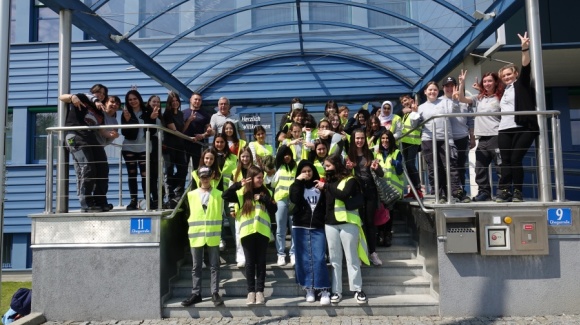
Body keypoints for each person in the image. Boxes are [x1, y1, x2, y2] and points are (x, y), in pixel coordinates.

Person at [315, 154, 369, 304]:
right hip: (330, 224)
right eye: (325, 166)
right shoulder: (327, 182)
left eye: (328, 166)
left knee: (352, 258)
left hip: (348, 222)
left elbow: (343, 194)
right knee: (334, 260)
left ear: (337, 165)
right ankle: (336, 291)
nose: (326, 169)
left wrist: (325, 187)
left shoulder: (350, 180)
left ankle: (357, 290)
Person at [222, 165, 277, 306]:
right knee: (250, 263)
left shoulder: (267, 192)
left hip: (262, 232)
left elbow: (274, 208)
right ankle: (250, 292)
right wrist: (238, 185)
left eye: (262, 177)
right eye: (258, 177)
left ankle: (260, 292)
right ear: (251, 178)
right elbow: (225, 195)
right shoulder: (242, 193)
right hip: (247, 233)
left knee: (261, 263)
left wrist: (263, 198)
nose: (261, 180)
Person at [495, 32, 539, 203]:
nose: (507, 77)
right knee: (505, 161)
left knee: (515, 159)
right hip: (504, 128)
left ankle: (518, 192)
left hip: (523, 127)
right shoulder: (504, 91)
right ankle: (505, 191)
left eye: (509, 74)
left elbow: (526, 66)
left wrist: (524, 48)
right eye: (504, 76)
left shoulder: (521, 84)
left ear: (515, 74)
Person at [418, 82, 470, 203]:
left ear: (438, 91)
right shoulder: (421, 107)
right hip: (428, 139)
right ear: (425, 92)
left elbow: (453, 111)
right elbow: (416, 125)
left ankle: (457, 192)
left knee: (451, 165)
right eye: (430, 90)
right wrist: (414, 113)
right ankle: (439, 193)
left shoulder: (445, 102)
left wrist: (456, 99)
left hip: (446, 138)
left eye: (435, 90)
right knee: (433, 168)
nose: (432, 92)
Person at [181, 166, 224, 307]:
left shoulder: (218, 194)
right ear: (199, 177)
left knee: (214, 265)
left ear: (212, 176)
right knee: (196, 266)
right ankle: (196, 293)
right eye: (202, 177)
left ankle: (215, 293)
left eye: (207, 176)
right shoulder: (191, 194)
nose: (205, 179)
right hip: (196, 234)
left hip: (212, 234)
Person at [289, 160, 331, 305]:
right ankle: (309, 288)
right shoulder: (297, 186)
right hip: (300, 226)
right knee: (304, 260)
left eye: (309, 171)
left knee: (319, 258)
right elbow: (294, 198)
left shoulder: (319, 187)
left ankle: (323, 288)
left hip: (317, 227)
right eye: (304, 171)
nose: (307, 173)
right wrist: (298, 181)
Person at [458, 70, 504, 201]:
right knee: (480, 168)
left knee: (500, 167)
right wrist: (462, 83)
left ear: (495, 82)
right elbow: (462, 99)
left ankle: (503, 192)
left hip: (496, 136)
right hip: (482, 138)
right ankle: (484, 193)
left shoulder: (500, 97)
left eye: (490, 81)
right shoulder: (479, 98)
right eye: (485, 81)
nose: (487, 83)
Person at [60, 92, 108, 212]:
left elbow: (101, 131)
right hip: (75, 135)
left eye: (102, 93)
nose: (100, 95)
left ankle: (100, 201)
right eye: (97, 92)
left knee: (102, 167)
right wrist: (72, 97)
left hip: (90, 137)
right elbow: (61, 97)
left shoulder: (100, 112)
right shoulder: (82, 98)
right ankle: (86, 203)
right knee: (87, 167)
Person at [346, 129, 384, 266]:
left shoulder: (369, 154)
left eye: (362, 138)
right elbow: (344, 176)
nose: (360, 141)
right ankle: (360, 253)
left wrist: (376, 168)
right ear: (353, 139)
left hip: (370, 191)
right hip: (356, 192)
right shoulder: (349, 155)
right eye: (357, 138)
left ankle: (372, 253)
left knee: (370, 223)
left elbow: (381, 174)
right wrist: (348, 168)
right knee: (358, 224)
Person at [121, 89, 161, 210]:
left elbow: (152, 131)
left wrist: (153, 118)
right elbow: (124, 132)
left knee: (145, 175)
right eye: (130, 99)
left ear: (139, 99)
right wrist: (127, 121)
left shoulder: (147, 111)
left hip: (144, 147)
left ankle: (147, 199)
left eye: (135, 99)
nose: (133, 101)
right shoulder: (126, 113)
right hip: (129, 147)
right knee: (132, 174)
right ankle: (133, 200)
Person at [440, 77, 475, 192]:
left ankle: (461, 191)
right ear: (443, 88)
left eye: (452, 86)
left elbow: (470, 120)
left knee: (460, 166)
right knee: (447, 166)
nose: (450, 88)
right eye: (447, 86)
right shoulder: (439, 101)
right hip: (445, 138)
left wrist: (472, 137)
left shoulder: (464, 101)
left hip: (462, 137)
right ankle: (446, 192)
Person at [375, 131, 404, 247]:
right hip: (381, 188)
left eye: (387, 138)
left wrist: (396, 163)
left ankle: (387, 235)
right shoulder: (377, 154)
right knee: (381, 211)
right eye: (383, 138)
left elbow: (400, 171)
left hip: (392, 189)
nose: (385, 141)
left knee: (389, 213)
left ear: (391, 140)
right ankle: (381, 234)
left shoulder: (396, 152)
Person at [272, 144, 297, 266]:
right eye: (284, 155)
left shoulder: (296, 166)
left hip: (293, 201)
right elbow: (272, 184)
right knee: (280, 229)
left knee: (294, 229)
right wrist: (288, 144)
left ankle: (293, 253)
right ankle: (281, 254)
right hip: (280, 200)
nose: (287, 157)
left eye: (289, 154)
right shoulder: (278, 167)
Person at [162, 91, 188, 209]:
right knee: (169, 170)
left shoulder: (181, 114)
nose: (175, 103)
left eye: (177, 101)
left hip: (180, 145)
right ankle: (170, 195)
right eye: (172, 101)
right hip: (169, 146)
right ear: (169, 103)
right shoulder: (167, 113)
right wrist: (190, 138)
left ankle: (172, 190)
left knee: (183, 169)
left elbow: (181, 130)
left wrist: (190, 121)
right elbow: (174, 130)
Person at [229, 147, 254, 267]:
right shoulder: (234, 172)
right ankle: (241, 257)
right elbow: (230, 191)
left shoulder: (255, 170)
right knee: (239, 233)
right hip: (239, 205)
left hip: (253, 205)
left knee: (252, 233)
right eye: (243, 156)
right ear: (239, 157)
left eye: (247, 156)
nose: (245, 159)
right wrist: (231, 207)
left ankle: (252, 257)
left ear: (251, 157)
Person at [213, 132, 238, 251]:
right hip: (215, 192)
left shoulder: (233, 157)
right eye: (217, 142)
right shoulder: (210, 156)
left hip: (229, 192)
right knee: (218, 218)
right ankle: (221, 240)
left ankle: (238, 242)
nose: (219, 144)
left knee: (233, 219)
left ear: (225, 143)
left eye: (222, 142)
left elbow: (237, 174)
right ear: (214, 142)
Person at [399, 94, 423, 199]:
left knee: (411, 165)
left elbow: (416, 124)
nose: (405, 103)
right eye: (403, 102)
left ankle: (418, 189)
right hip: (405, 142)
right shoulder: (405, 114)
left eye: (406, 100)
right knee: (408, 166)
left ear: (411, 100)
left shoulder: (416, 110)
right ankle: (413, 190)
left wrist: (414, 111)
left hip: (413, 141)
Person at [183, 92, 212, 170]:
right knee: (183, 169)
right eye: (195, 99)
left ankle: (196, 183)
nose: (197, 101)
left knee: (198, 169)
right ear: (190, 100)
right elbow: (180, 129)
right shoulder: (183, 113)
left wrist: (203, 134)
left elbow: (208, 131)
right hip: (184, 145)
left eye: (199, 100)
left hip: (198, 145)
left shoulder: (205, 115)